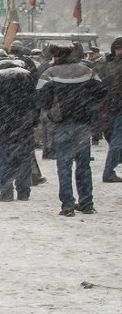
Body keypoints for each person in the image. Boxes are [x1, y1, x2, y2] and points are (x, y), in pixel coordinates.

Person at [36, 42, 106, 215]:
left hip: (61, 125)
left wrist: (53, 111)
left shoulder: (49, 73)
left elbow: (41, 97)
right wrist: (89, 108)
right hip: (83, 123)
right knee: (83, 165)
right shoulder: (87, 71)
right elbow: (102, 91)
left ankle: (67, 204)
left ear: (55, 56)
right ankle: (87, 203)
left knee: (64, 166)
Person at [0, 54, 38, 201]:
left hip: (2, 127)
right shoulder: (25, 76)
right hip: (22, 126)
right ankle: (24, 191)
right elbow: (34, 102)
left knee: (3, 160)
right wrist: (33, 121)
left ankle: (6, 191)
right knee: (24, 159)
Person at [99, 37, 122, 183]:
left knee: (116, 140)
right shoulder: (117, 66)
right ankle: (108, 171)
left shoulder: (106, 65)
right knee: (117, 141)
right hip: (117, 107)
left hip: (111, 107)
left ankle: (109, 169)